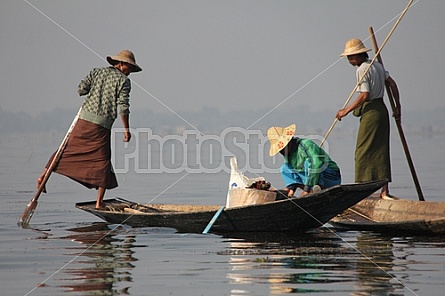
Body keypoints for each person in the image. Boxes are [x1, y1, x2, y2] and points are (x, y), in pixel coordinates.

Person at [36, 50, 142, 208]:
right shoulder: (123, 82)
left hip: (84, 120)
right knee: (103, 162)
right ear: (120, 64)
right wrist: (126, 129)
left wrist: (95, 90)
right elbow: (123, 107)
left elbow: (81, 89)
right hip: (101, 126)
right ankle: (99, 203)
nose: (130, 73)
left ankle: (43, 176)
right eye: (129, 68)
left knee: (66, 149)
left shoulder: (96, 72)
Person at [336, 38, 400, 199]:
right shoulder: (378, 65)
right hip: (382, 110)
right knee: (381, 150)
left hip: (371, 112)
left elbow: (364, 95)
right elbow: (392, 85)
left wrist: (346, 111)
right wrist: (398, 107)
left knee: (362, 151)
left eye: (351, 57)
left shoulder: (362, 69)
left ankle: (359, 191)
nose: (350, 60)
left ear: (359, 56)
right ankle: (384, 191)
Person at [267, 124, 341, 197]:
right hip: (313, 180)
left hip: (330, 177)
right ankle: (304, 190)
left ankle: (315, 189)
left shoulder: (305, 145)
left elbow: (315, 164)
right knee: (285, 168)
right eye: (280, 150)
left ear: (289, 142)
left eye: (283, 148)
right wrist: (291, 188)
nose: (282, 152)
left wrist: (306, 189)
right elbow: (291, 172)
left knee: (308, 164)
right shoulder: (288, 154)